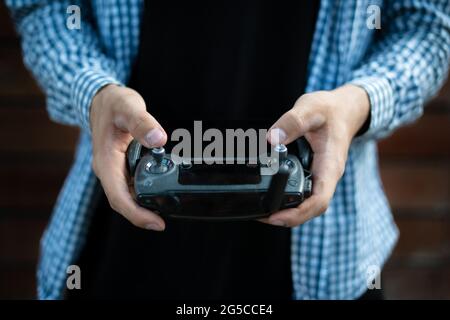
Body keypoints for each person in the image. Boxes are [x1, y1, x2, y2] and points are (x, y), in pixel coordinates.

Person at [6, 0, 449, 300]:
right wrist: (93, 91)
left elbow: (426, 25)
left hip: (322, 259)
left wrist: (360, 102)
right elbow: (44, 7)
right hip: (120, 238)